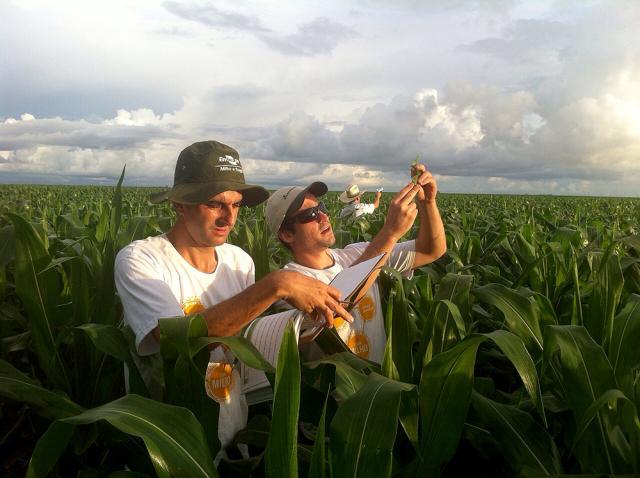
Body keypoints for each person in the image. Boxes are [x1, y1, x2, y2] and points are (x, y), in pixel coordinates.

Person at [114, 140, 353, 453]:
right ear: (179, 205)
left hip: (234, 433)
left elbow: (243, 342)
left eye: (236, 204)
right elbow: (173, 342)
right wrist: (275, 285)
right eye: (215, 204)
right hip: (173, 447)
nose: (229, 218)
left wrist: (302, 329)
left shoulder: (239, 261)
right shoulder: (142, 260)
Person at [265, 163, 446, 363]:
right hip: (342, 392)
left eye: (321, 208)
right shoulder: (289, 286)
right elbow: (338, 307)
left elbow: (430, 250)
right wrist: (389, 234)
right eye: (310, 215)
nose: (324, 217)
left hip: (380, 385)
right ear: (287, 234)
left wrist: (428, 203)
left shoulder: (358, 253)